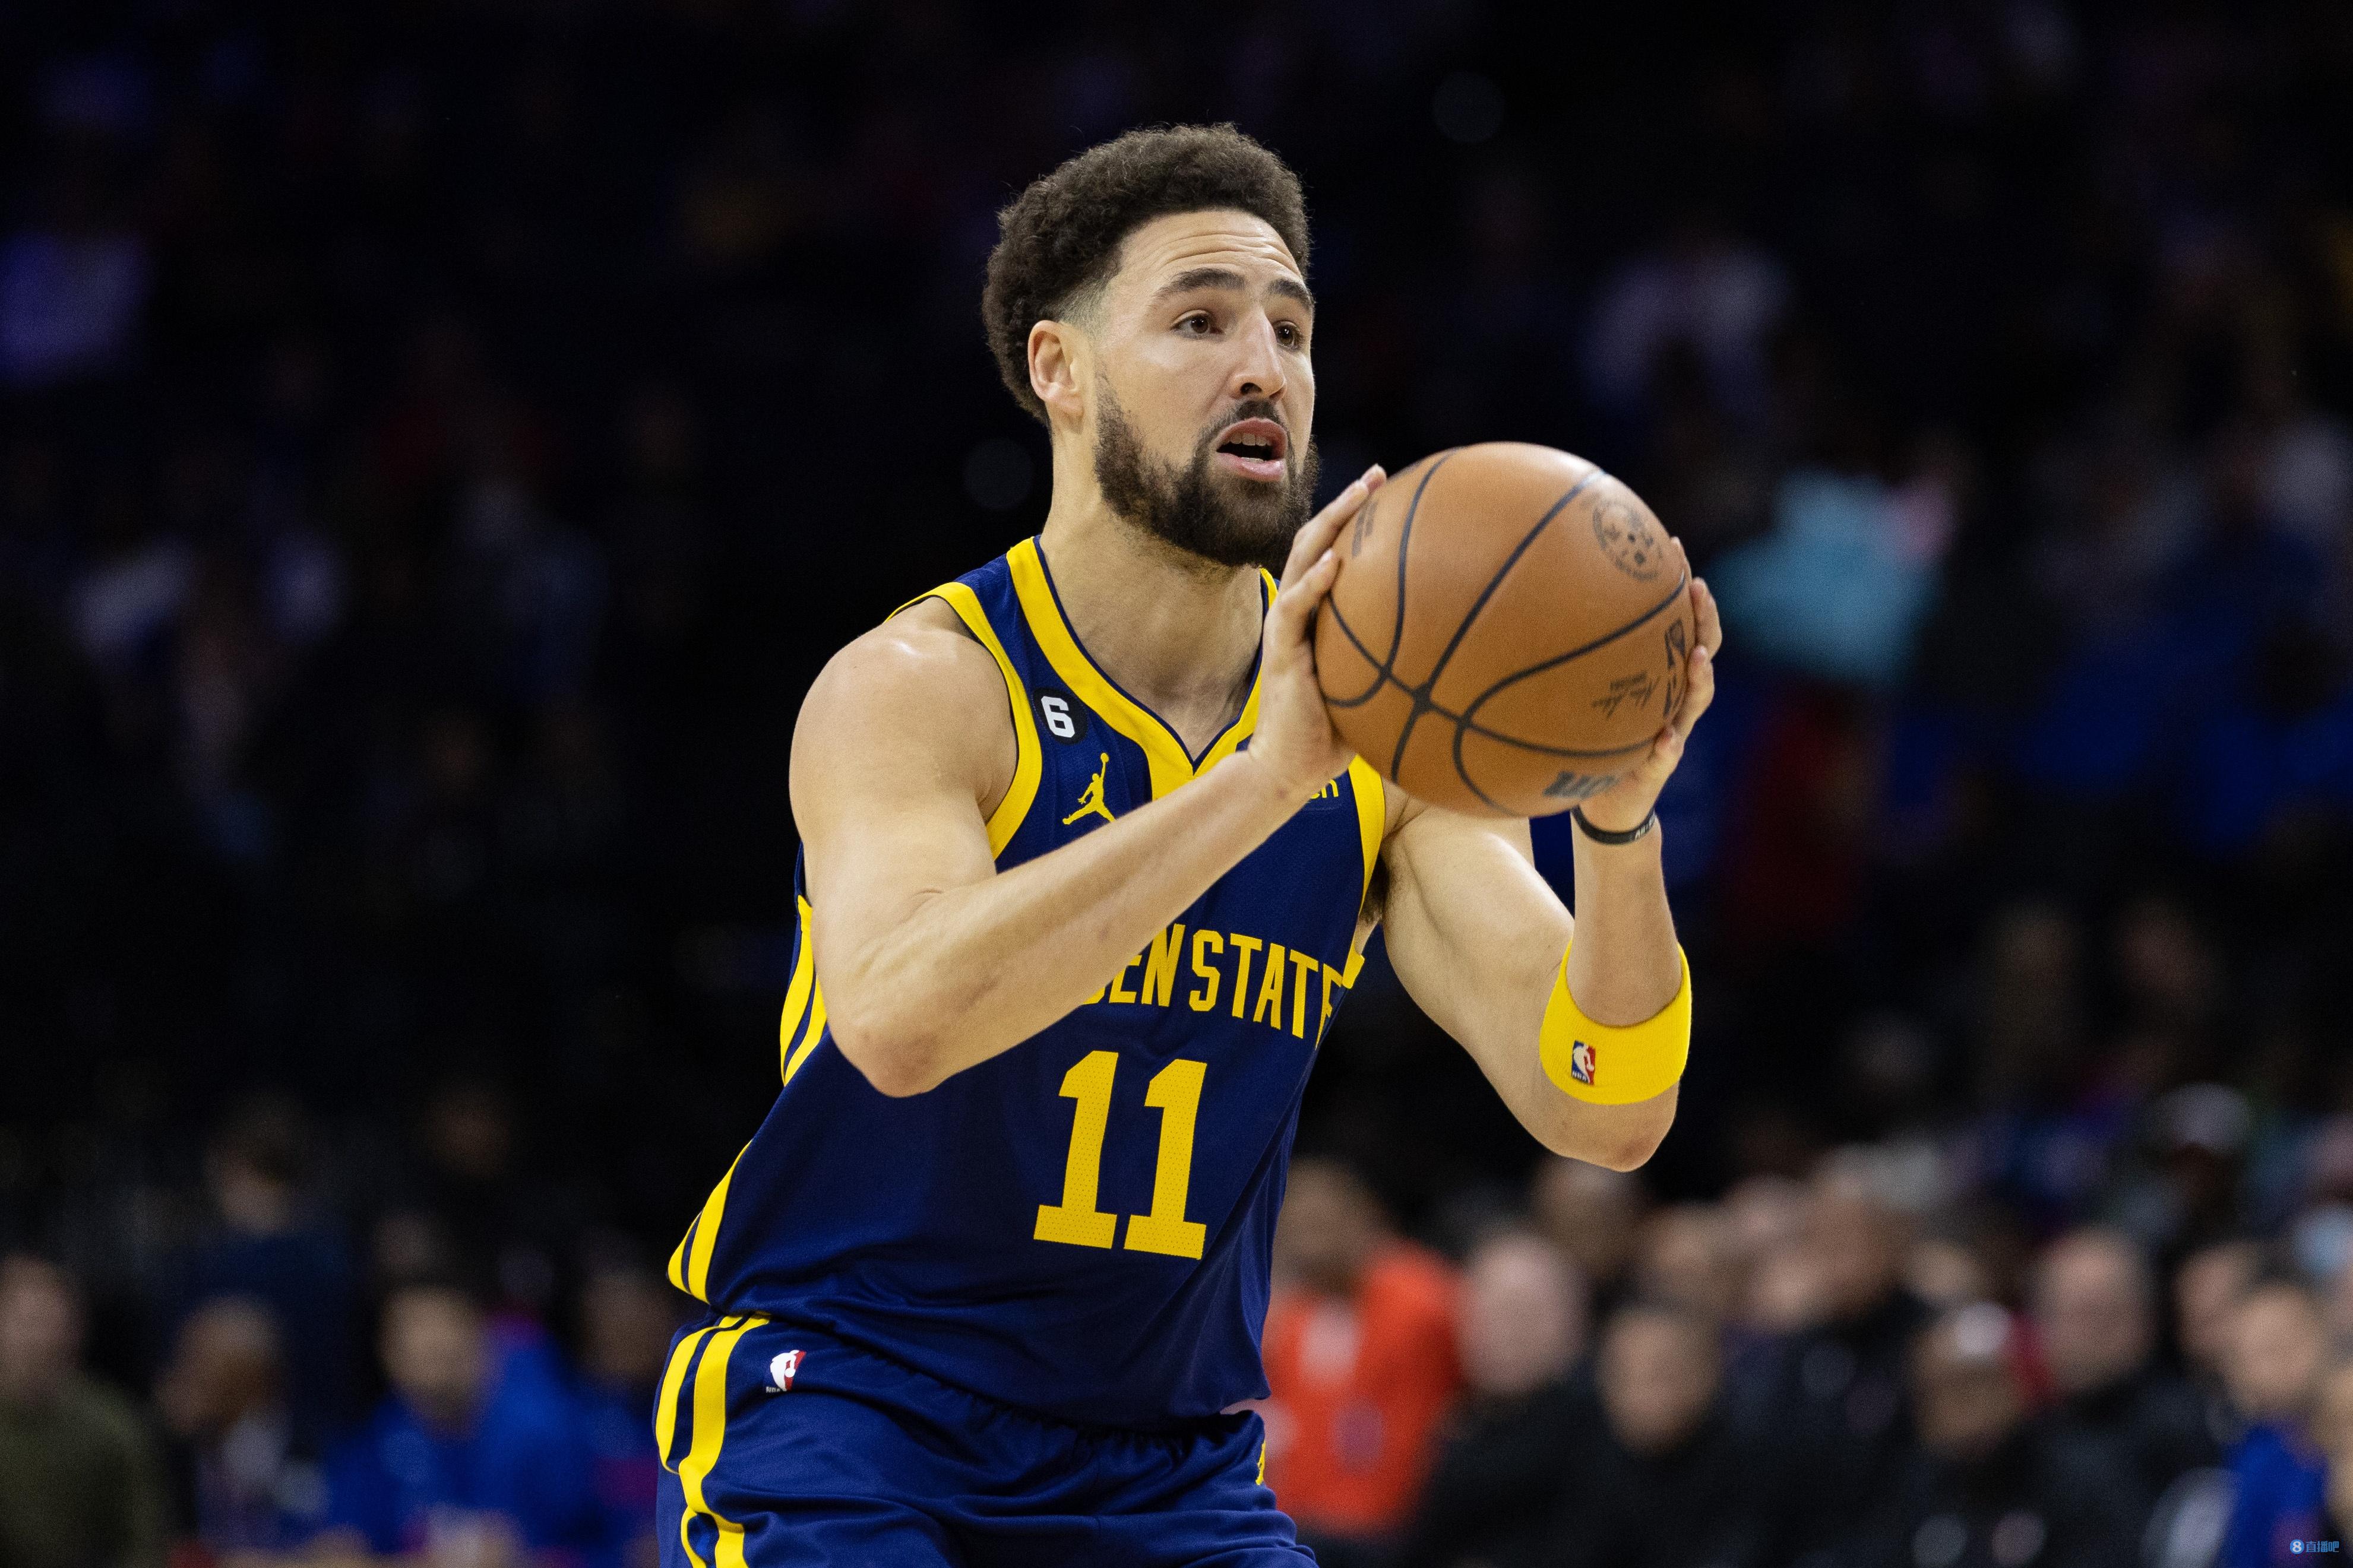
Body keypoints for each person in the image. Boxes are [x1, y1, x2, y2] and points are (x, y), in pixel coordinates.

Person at [649, 123, 1720, 1566]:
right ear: (1060, 369)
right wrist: (1263, 782)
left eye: (1291, 328)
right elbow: (898, 1020)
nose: (1263, 366)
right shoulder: (925, 686)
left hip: (1166, 1469)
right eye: (1200, 321)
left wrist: (1618, 822)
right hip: (854, 1412)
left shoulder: (1391, 735)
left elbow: (1604, 1103)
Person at [1259, 1160, 1462, 1564]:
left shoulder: (1422, 1299)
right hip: (1298, 1522)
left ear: (1362, 1218)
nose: (1306, 1244)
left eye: (1320, 1224)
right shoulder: (1295, 1316)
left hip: (1386, 1532)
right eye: (1295, 1228)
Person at [320, 1277, 602, 1557]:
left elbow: (599, 1544)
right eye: (414, 1330)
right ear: (388, 1354)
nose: (433, 1341)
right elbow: (342, 1545)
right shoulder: (379, 1438)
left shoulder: (548, 1432)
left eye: (447, 1326)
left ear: (484, 1341)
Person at [1856, 1302, 2136, 1568]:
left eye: (1977, 1384)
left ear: (2018, 1381)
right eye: (1940, 1391)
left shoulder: (2080, 1478)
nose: (1962, 1407)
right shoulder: (1911, 1493)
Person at [1393, 1228, 1589, 1568]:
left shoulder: (1595, 1433)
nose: (1499, 1332)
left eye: (1519, 1314)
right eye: (1484, 1313)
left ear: (1571, 1325)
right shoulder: (1457, 1425)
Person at [2031, 1227, 2218, 1533]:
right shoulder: (2029, 1443)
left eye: (2095, 1313)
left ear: (2143, 1318)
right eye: (2057, 1313)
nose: (2076, 1334)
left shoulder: (2188, 1432)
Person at [0, 1253, 170, 1568]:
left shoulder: (113, 1427)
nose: (33, 1338)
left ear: (73, 1330)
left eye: (45, 1321)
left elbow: (144, 1543)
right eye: (22, 1321)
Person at [154, 1295, 328, 1551]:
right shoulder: (169, 1452)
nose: (180, 1378)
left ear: (253, 1380)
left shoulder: (314, 1454)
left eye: (200, 1364)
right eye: (184, 1360)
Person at [2221, 1276, 2333, 1567]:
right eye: (2267, 1349)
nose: (2286, 1359)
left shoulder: (2342, 1440)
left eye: (2295, 1338)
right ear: (2236, 1372)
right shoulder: (2254, 1461)